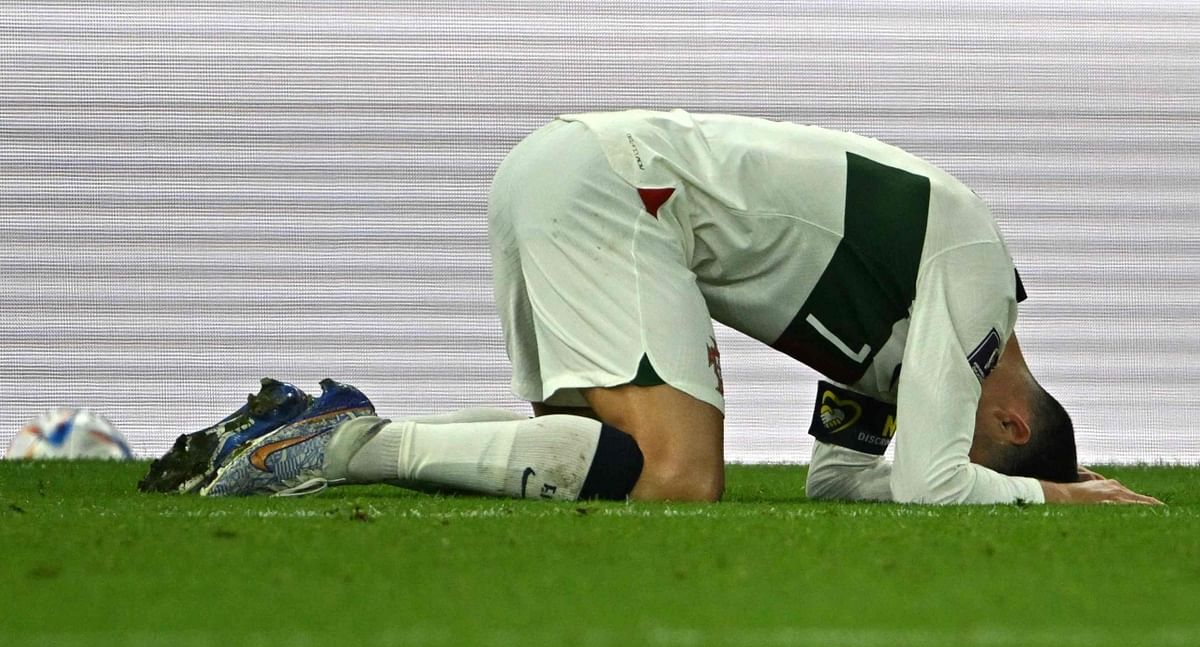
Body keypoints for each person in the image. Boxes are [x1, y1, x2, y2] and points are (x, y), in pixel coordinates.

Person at [194, 109, 1161, 506]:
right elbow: (934, 483)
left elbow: (841, 479)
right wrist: (1052, 496)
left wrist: (992, 476)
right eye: (980, 442)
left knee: (607, 457)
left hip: (581, 173)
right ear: (1009, 417)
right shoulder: (977, 283)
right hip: (616, 190)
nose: (938, 434)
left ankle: (311, 429)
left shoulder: (915, 336)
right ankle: (337, 444)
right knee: (677, 473)